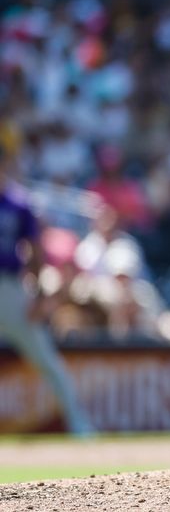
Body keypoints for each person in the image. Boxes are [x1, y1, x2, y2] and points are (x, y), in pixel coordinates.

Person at [0, 149, 94, 435]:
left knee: (48, 361)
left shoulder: (18, 202)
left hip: (12, 290)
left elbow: (36, 249)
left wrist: (39, 294)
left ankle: (80, 426)